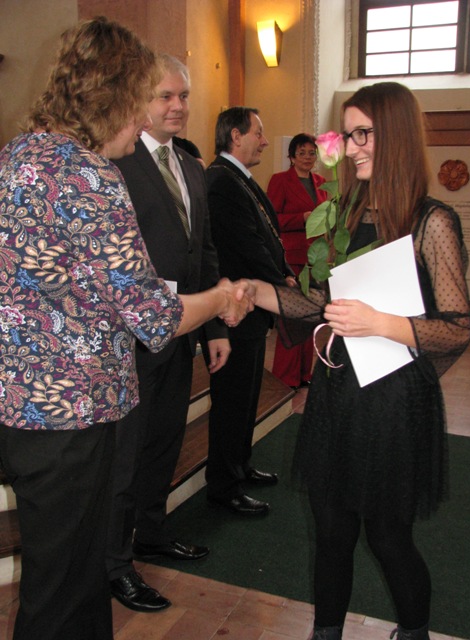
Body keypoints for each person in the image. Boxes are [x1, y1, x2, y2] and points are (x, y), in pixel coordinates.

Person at [0, 18, 251, 640]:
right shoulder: (88, 174)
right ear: (108, 98)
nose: (143, 121)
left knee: (73, 579)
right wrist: (222, 296)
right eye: (139, 102)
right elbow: (155, 316)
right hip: (70, 415)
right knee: (60, 593)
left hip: (27, 408)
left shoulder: (20, 154)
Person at [247, 82, 470, 640]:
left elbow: (457, 326)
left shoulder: (431, 221)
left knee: (388, 538)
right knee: (331, 532)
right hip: (338, 393)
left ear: (395, 135)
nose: (350, 148)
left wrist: (381, 323)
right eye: (348, 136)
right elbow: (322, 306)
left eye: (362, 134)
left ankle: (413, 632)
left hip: (394, 402)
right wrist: (255, 292)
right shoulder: (343, 215)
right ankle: (325, 632)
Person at [107, 53, 230, 613]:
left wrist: (213, 328)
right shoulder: (115, 164)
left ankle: (152, 534)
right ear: (139, 98)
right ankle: (114, 564)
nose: (177, 106)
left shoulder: (190, 165)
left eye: (183, 95)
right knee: (125, 455)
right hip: (129, 339)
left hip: (182, 332)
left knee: (163, 442)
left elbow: (203, 250)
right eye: (165, 96)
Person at [205, 106, 296, 516]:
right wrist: (280, 283)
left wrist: (284, 272)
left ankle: (239, 467)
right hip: (237, 309)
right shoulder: (221, 181)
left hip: (255, 306)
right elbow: (244, 246)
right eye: (258, 133)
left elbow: (268, 238)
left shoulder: (237, 177)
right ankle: (224, 486)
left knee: (247, 398)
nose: (264, 141)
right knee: (232, 403)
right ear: (236, 136)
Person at [267, 133, 327, 389]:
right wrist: (301, 218)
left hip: (316, 260)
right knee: (291, 321)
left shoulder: (322, 182)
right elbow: (271, 220)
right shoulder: (280, 180)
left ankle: (304, 373)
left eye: (312, 153)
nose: (307, 157)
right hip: (292, 260)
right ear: (291, 157)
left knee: (310, 318)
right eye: (301, 153)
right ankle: (285, 377)